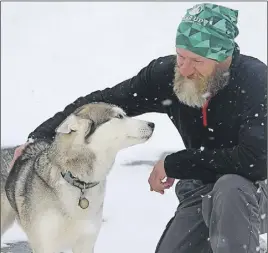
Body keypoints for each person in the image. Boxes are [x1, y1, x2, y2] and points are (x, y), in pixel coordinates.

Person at [11, 3, 267, 253]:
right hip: (204, 188)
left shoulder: (255, 81)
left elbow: (255, 161)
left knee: (231, 187)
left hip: (256, 189)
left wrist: (175, 163)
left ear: (223, 57)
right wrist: (42, 135)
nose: (185, 69)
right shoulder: (167, 74)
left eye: (197, 61)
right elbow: (102, 103)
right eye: (181, 56)